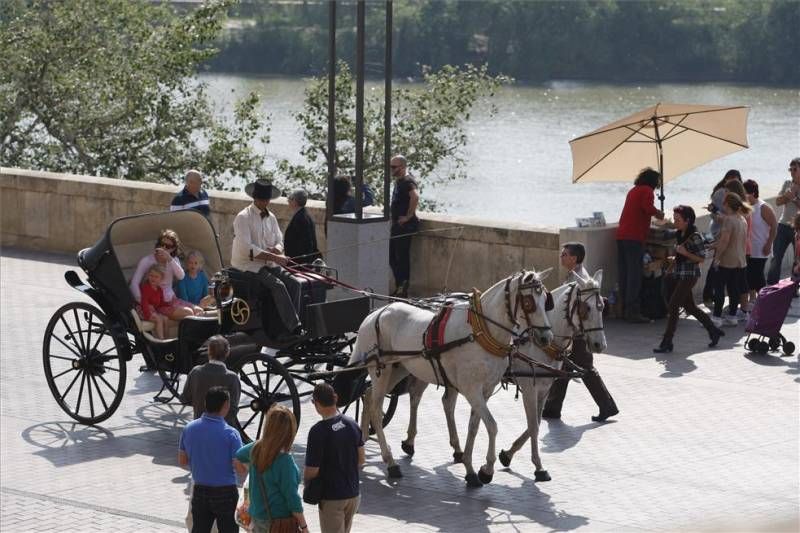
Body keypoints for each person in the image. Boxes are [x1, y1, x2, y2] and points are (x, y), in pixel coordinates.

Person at [543, 243, 619, 423]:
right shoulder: (573, 276)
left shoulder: (581, 280)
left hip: (579, 335)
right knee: (564, 369)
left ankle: (607, 406)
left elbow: (586, 310)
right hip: (574, 333)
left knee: (586, 370)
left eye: (565, 254)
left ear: (574, 258)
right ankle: (553, 407)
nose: (561, 256)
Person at [231, 179, 305, 342]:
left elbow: (280, 239)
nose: (265, 202)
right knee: (277, 285)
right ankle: (293, 327)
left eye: (267, 199)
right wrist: (275, 256)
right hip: (249, 266)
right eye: (262, 199)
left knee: (295, 283)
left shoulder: (271, 217)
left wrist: (278, 249)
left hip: (269, 263)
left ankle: (290, 326)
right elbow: (247, 249)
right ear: (255, 198)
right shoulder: (243, 217)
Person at [653, 206, 725, 353]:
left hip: (690, 275)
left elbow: (701, 258)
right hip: (680, 274)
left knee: (673, 306)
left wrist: (685, 253)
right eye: (674, 218)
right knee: (690, 307)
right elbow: (679, 254)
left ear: (687, 220)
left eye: (677, 219)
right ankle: (713, 330)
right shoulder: (680, 233)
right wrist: (671, 267)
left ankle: (667, 341)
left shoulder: (695, 236)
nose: (675, 222)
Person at [234, 405, 308, 533]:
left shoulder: (256, 447)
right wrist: (304, 526)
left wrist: (252, 472)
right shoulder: (285, 461)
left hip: (257, 516)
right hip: (278, 521)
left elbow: (238, 456)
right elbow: (292, 499)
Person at [179, 387, 243, 533]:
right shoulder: (231, 434)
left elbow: (182, 461)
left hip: (199, 490)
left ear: (206, 403)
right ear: (226, 405)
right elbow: (240, 468)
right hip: (226, 493)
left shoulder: (189, 429)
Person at [304, 383, 364, 533]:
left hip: (332, 497)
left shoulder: (318, 431)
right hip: (353, 494)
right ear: (335, 398)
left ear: (316, 403)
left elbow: (312, 470)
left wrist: (307, 486)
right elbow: (361, 459)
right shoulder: (352, 424)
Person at [615, 167, 665, 323]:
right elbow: (647, 208)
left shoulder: (633, 190)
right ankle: (633, 311)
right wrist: (659, 213)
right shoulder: (647, 192)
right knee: (635, 274)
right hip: (634, 237)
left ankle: (622, 308)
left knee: (624, 272)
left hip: (622, 235)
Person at [129, 229, 203, 321]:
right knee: (188, 313)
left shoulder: (173, 260)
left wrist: (169, 258)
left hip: (171, 299)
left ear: (173, 248)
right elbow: (134, 284)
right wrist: (144, 302)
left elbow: (181, 276)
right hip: (157, 303)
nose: (163, 248)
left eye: (168, 246)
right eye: (161, 244)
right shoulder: (147, 260)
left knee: (199, 310)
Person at [710, 193, 751, 327]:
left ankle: (716, 317)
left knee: (719, 287)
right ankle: (732, 315)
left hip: (727, 260)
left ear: (727, 204)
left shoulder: (729, 220)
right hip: (740, 260)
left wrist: (717, 258)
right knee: (734, 289)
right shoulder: (742, 219)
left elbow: (725, 241)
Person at [181, 335, 241, 427]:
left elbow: (185, 398)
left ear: (209, 352)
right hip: (222, 428)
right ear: (227, 353)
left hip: (199, 425)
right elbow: (233, 409)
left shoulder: (195, 372)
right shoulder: (232, 378)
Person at [703, 170, 743, 303]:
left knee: (719, 266)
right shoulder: (721, 193)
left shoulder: (735, 194)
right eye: (730, 179)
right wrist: (723, 218)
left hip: (727, 230)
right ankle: (709, 293)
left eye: (735, 180)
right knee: (717, 264)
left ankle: (710, 293)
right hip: (719, 230)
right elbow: (717, 213)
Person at [743, 179, 777, 308]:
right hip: (749, 249)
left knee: (757, 276)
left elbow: (774, 226)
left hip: (761, 249)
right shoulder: (746, 207)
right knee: (749, 276)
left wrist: (769, 244)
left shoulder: (763, 207)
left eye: (744, 192)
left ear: (751, 193)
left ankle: (767, 301)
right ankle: (753, 300)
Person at [389, 155, 420, 298]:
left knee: (401, 257)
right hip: (396, 225)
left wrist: (408, 216)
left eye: (394, 167)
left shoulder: (408, 181)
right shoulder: (399, 181)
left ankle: (403, 288)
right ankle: (399, 285)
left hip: (404, 226)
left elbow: (415, 196)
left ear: (402, 167)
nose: (392, 170)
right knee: (392, 257)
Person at [767, 158, 800, 284]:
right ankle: (772, 286)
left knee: (797, 260)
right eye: (790, 169)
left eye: (795, 169)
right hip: (783, 226)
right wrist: (787, 196)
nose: (792, 172)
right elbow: (777, 202)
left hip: (798, 229)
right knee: (776, 257)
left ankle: (793, 286)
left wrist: (795, 197)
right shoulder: (787, 183)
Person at [284, 189, 322, 264]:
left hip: (299, 263)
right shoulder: (304, 215)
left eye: (290, 198)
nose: (288, 201)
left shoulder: (301, 219)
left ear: (295, 201)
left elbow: (307, 245)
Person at [138, 264, 170, 339]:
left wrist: (168, 305)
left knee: (166, 318)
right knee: (158, 319)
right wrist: (148, 315)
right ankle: (161, 339)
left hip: (153, 311)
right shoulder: (146, 288)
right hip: (144, 311)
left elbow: (161, 303)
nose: (153, 278)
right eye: (151, 276)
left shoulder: (159, 290)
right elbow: (144, 302)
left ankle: (167, 339)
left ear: (161, 279)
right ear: (148, 275)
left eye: (156, 277)